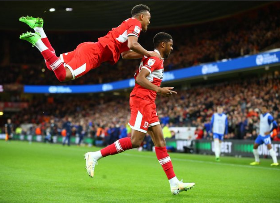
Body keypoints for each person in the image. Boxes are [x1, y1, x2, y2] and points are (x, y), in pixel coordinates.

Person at [84, 32, 195, 195]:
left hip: (148, 102)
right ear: (163, 45)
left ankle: (174, 183)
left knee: (160, 141)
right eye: (171, 44)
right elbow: (140, 78)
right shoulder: (155, 59)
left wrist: (135, 51)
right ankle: (94, 156)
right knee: (136, 141)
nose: (172, 47)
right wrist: (159, 89)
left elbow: (126, 54)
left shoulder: (155, 57)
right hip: (142, 101)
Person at [19, 4, 160, 82]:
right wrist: (149, 53)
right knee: (63, 76)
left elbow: (126, 54)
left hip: (90, 48)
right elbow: (132, 44)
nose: (149, 21)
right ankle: (38, 42)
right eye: (149, 18)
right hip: (93, 55)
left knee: (51, 65)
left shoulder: (128, 25)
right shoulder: (136, 24)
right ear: (142, 16)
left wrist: (144, 56)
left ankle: (39, 28)